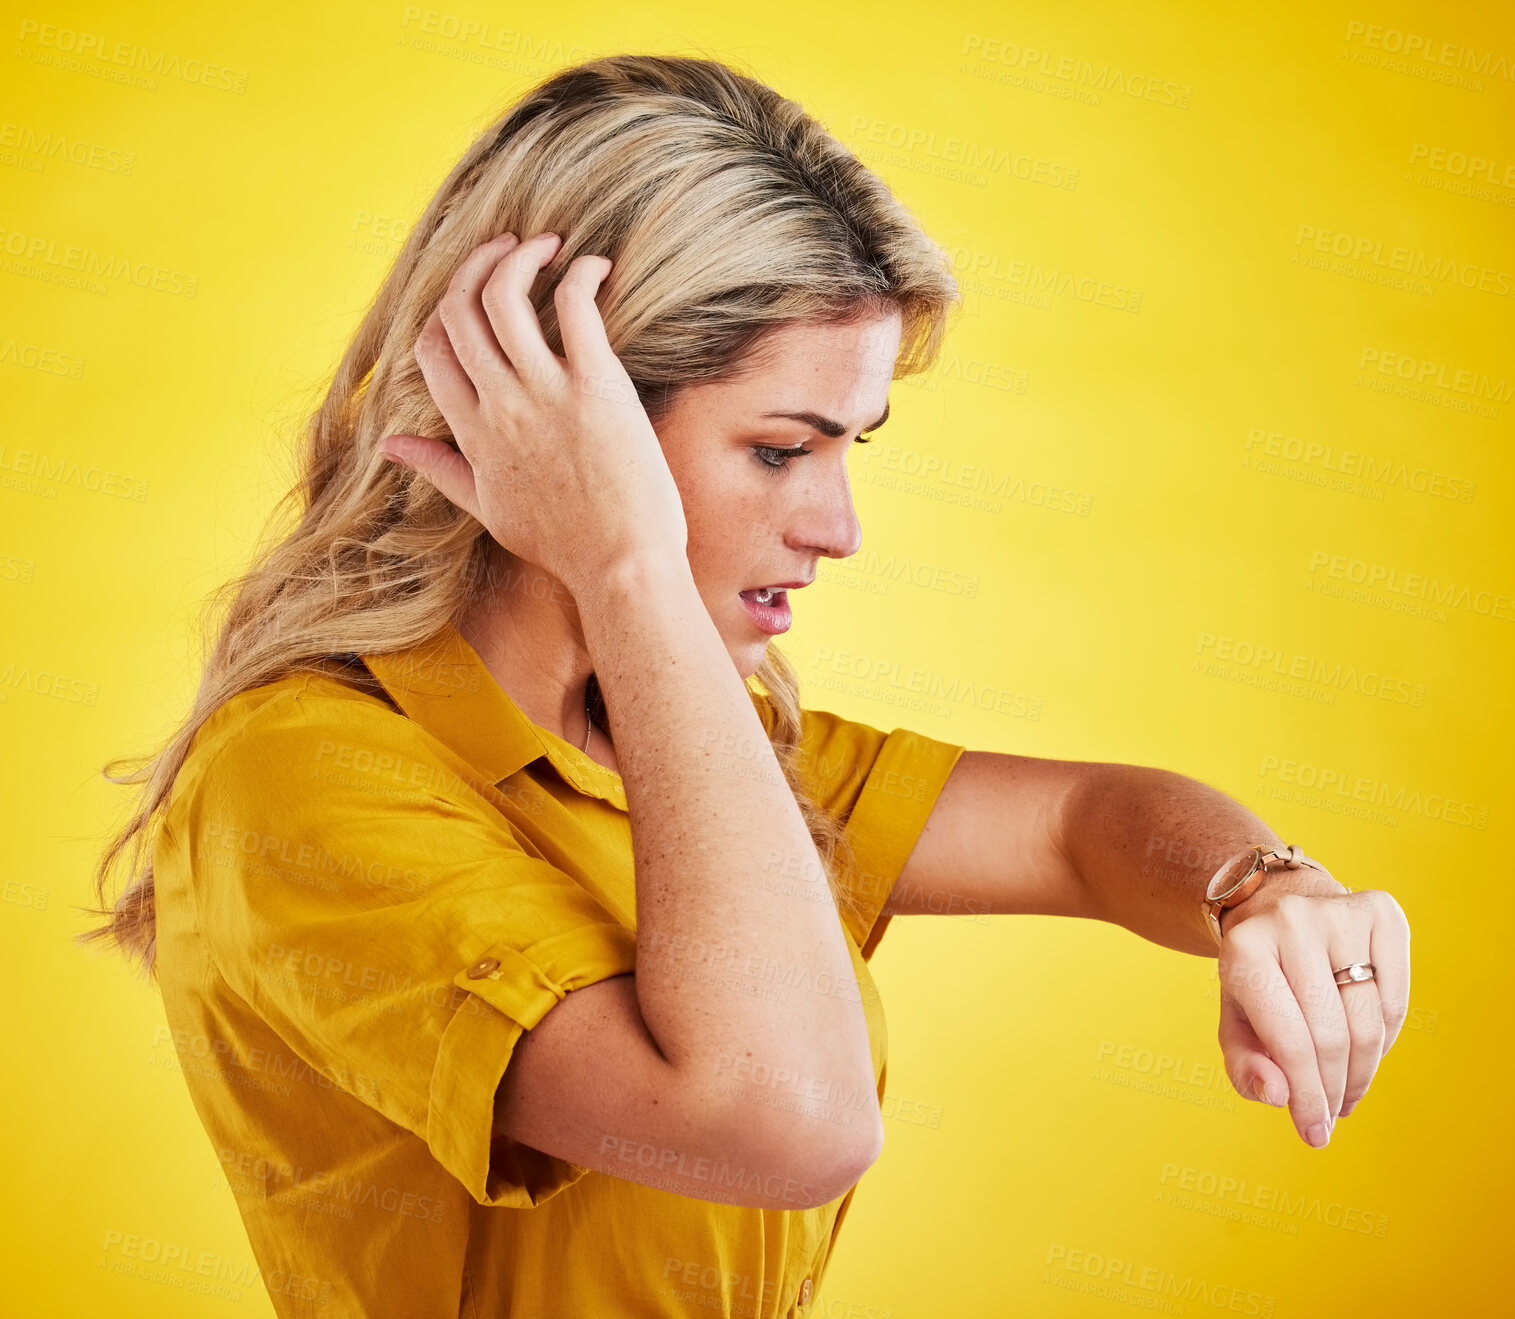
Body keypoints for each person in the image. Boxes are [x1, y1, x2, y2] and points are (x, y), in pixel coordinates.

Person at [84, 53, 1411, 1318]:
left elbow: (1084, 831)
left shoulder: (652, 726)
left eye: (849, 449)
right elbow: (794, 1120)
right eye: (780, 450)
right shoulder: (305, 776)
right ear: (551, 419)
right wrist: (625, 560)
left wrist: (1258, 893)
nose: (838, 529)